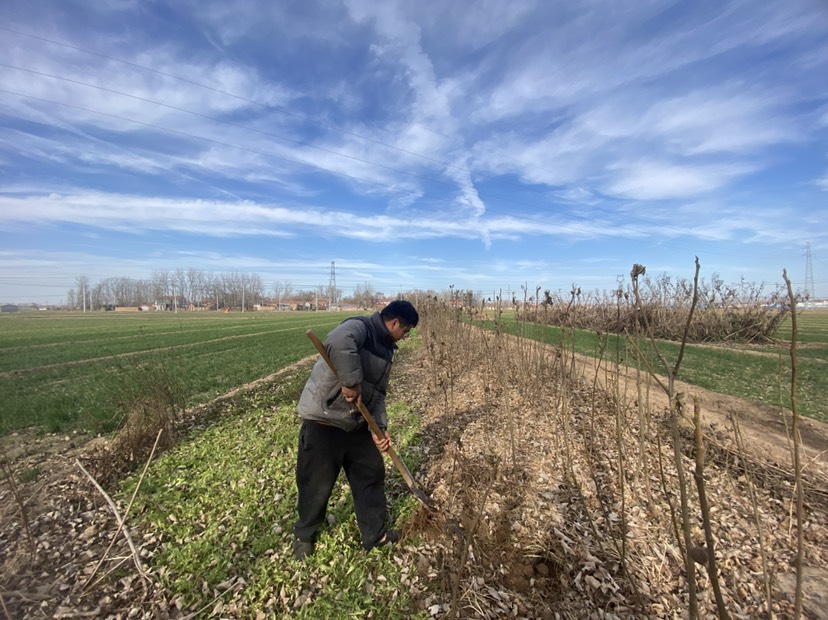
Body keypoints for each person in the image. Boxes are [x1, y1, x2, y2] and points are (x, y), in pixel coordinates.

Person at [293, 299, 419, 560]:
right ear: (395, 322)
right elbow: (338, 343)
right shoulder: (360, 327)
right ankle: (305, 536)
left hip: (357, 424)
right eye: (405, 331)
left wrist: (380, 429)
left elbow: (379, 393)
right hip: (325, 421)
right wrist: (350, 381)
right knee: (316, 484)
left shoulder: (387, 349)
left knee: (371, 473)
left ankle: (374, 534)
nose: (404, 337)